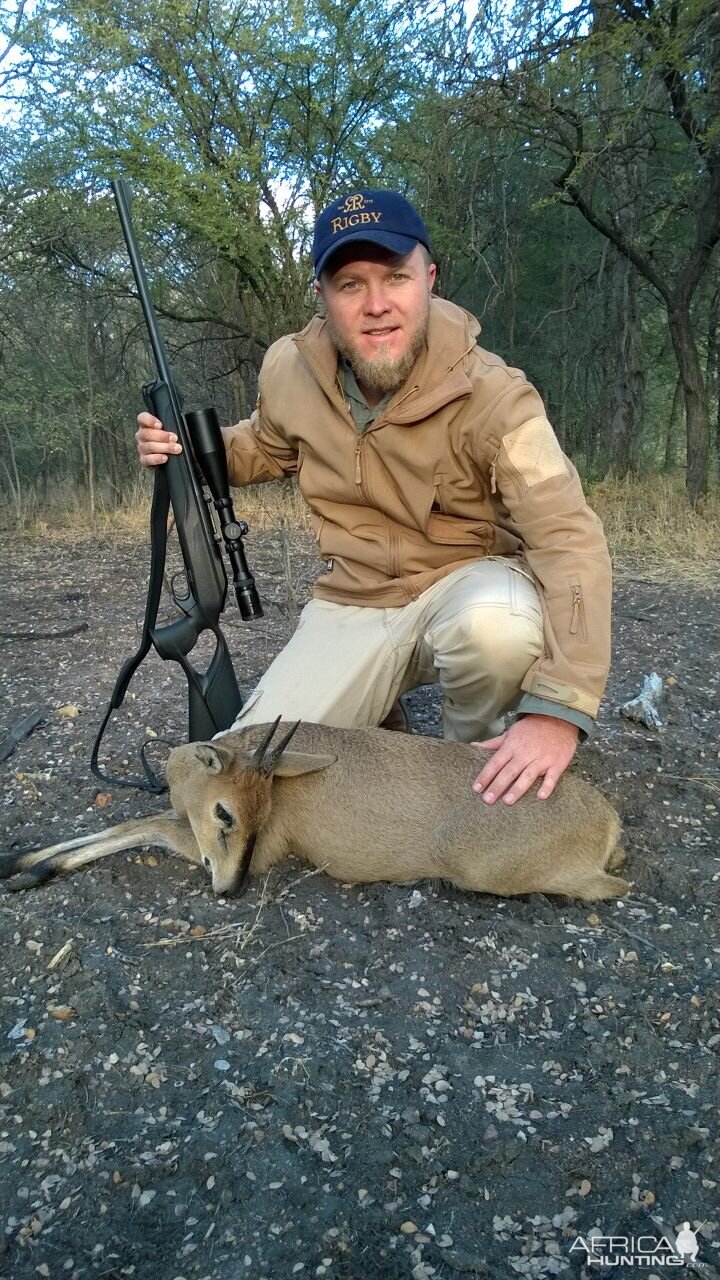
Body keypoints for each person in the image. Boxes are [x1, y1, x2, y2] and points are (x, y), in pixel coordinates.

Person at [136, 189, 612, 808]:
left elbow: (569, 538)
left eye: (396, 277)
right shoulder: (288, 369)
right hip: (353, 600)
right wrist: (184, 452)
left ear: (430, 279)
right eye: (351, 284)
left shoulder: (497, 396)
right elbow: (268, 447)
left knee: (499, 628)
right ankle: (381, 721)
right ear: (323, 296)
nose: (377, 305)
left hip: (463, 587)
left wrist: (560, 709)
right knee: (242, 779)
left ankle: (471, 775)